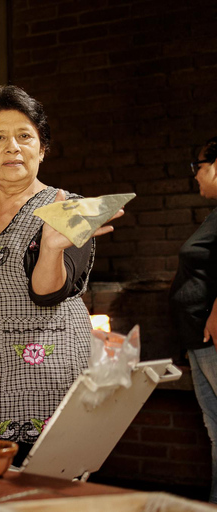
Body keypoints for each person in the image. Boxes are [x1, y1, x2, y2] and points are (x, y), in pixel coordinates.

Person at [0, 85, 122, 463]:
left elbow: (47, 294)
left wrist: (50, 247)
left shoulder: (71, 208)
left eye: (24, 136)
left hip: (49, 386)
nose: (12, 146)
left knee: (44, 496)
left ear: (42, 148)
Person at [170, 136, 217, 504]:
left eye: (198, 167)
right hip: (198, 339)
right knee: (215, 428)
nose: (195, 176)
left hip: (213, 336)